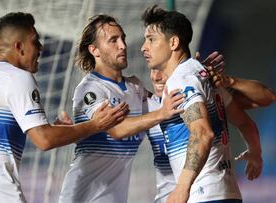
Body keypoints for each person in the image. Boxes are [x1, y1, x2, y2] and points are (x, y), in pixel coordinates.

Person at [0, 12, 130, 203]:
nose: (40, 48)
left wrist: (58, 130)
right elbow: (44, 140)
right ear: (19, 47)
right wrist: (95, 125)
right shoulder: (17, 77)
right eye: (35, 41)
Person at [141, 6, 263, 203]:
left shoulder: (181, 79)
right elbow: (246, 124)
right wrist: (256, 154)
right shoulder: (204, 76)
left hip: (202, 195)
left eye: (151, 39)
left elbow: (203, 133)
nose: (144, 47)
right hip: (228, 193)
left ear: (173, 42)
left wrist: (182, 188)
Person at [58, 14, 184, 203]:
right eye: (113, 40)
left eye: (123, 38)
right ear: (95, 50)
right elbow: (117, 129)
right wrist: (161, 113)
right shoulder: (90, 89)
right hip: (82, 196)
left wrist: (193, 71)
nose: (123, 45)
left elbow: (166, 103)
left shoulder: (136, 87)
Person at [146, 52, 275, 203]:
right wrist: (160, 114)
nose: (157, 77)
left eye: (163, 69)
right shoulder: (145, 105)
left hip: (202, 194)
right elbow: (117, 130)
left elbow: (267, 97)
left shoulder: (197, 92)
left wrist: (224, 81)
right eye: (154, 69)